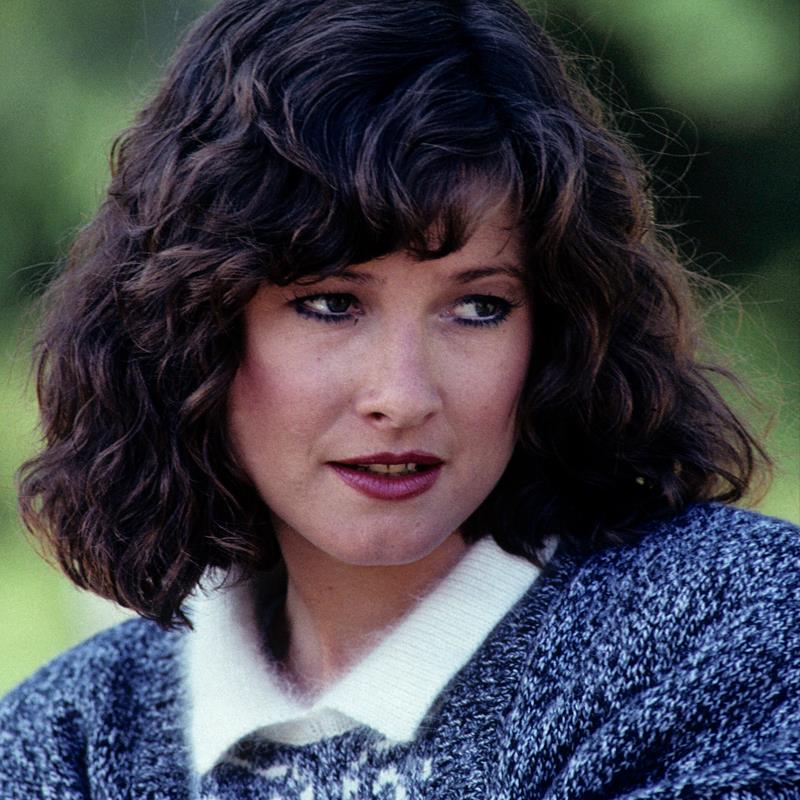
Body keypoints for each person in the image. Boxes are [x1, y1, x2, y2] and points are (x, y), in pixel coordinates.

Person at [1, 0, 798, 797]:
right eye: (331, 304)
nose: (403, 396)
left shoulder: (739, 630)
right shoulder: (70, 741)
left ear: (555, 330)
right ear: (193, 330)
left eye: (478, 307)